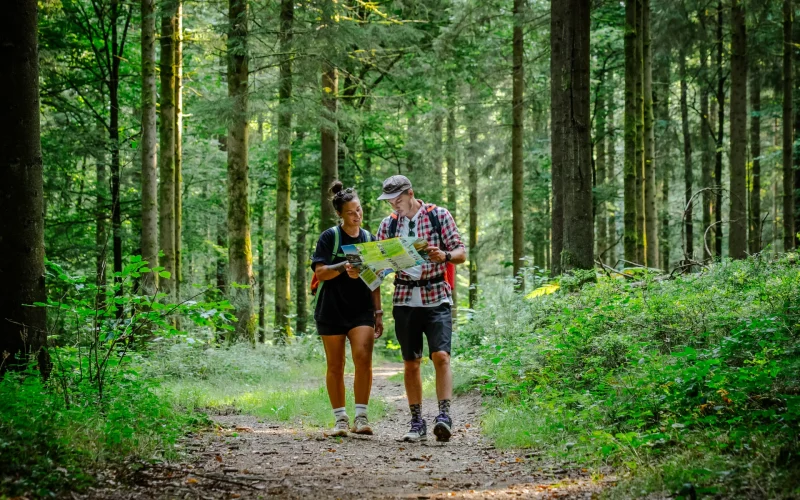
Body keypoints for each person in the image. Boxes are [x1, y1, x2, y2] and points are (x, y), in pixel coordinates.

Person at [376, 175, 466, 442]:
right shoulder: (388, 225)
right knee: (411, 362)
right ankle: (416, 422)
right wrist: (361, 268)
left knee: (441, 356)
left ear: (411, 193)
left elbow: (460, 252)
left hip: (437, 295)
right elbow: (377, 268)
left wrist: (445, 256)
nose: (395, 205)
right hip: (404, 298)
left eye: (398, 199)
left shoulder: (439, 215)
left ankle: (444, 416)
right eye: (390, 201)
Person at [312, 181, 384, 437]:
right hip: (331, 309)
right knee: (335, 365)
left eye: (359, 209)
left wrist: (378, 312)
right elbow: (320, 273)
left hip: (361, 309)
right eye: (351, 211)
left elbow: (375, 279)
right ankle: (340, 420)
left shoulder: (369, 239)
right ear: (340, 214)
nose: (357, 215)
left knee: (363, 359)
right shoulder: (329, 237)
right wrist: (345, 265)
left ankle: (361, 417)